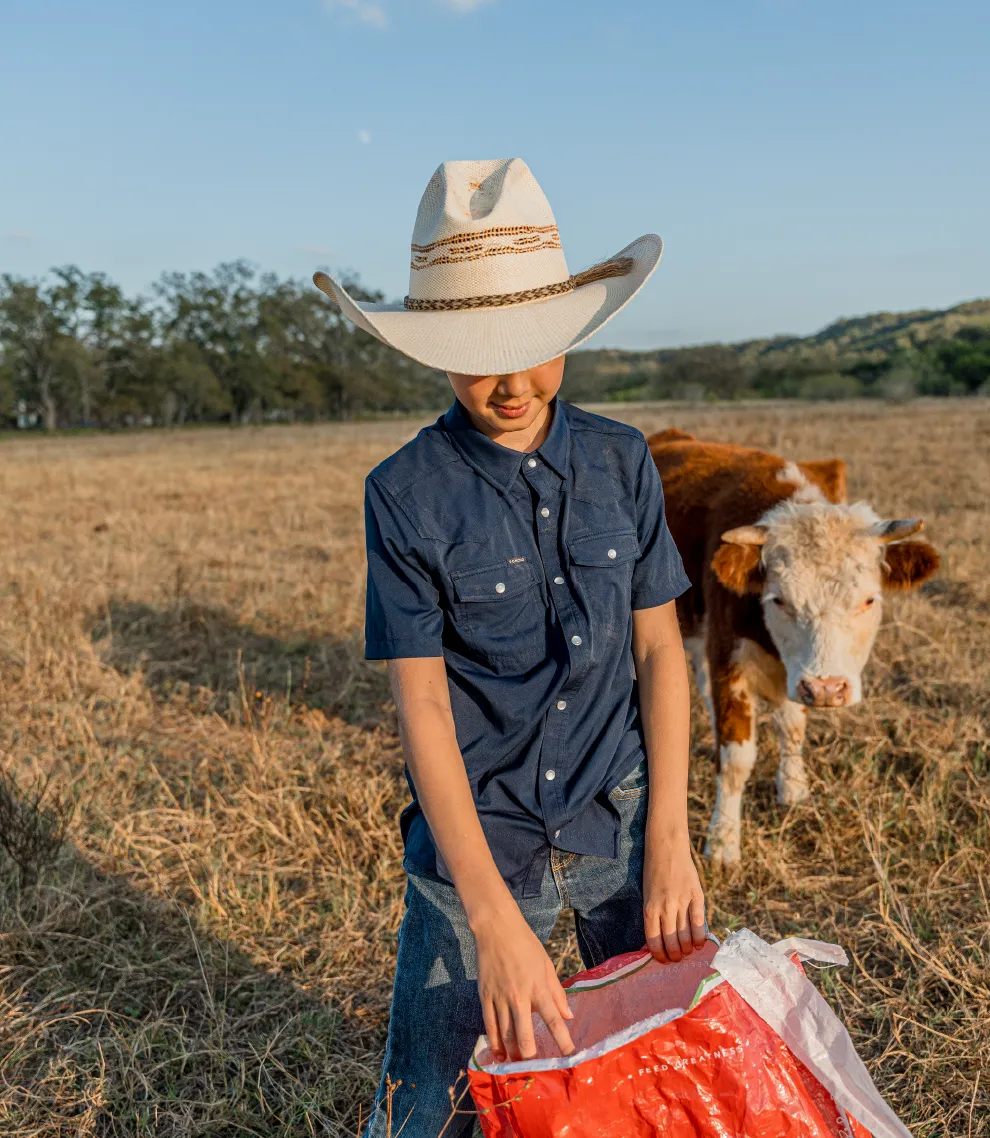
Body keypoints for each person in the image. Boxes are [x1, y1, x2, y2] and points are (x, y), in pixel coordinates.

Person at [314, 158, 706, 1138]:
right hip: (478, 844)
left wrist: (669, 837)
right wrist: (491, 919)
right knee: (424, 1110)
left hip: (620, 822)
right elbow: (425, 707)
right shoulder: (404, 492)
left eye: (534, 347)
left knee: (661, 1079)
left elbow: (660, 653)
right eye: (478, 352)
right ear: (432, 350)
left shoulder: (622, 460)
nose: (512, 382)